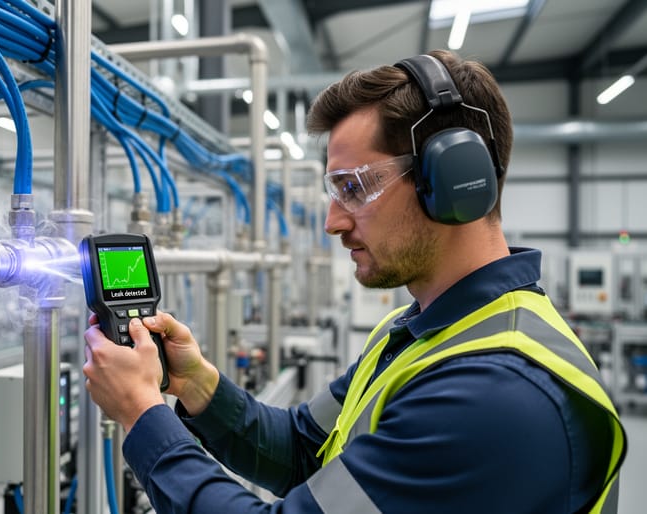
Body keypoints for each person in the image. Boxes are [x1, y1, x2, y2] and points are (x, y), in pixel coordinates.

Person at [83, 50, 627, 513]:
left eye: (354, 187)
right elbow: (302, 450)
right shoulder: (416, 333)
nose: (332, 222)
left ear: (452, 180)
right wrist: (198, 385)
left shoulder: (496, 392)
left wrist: (143, 414)